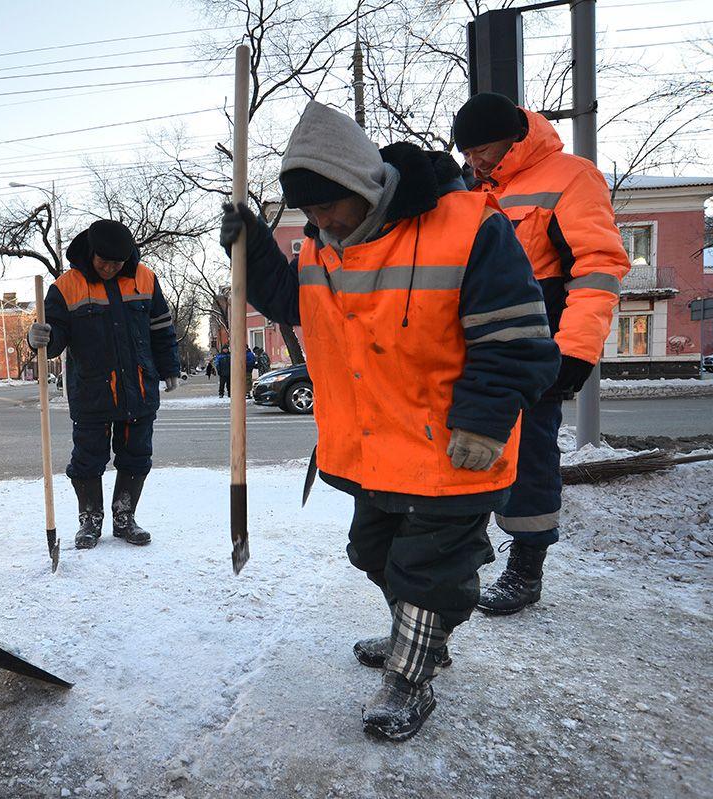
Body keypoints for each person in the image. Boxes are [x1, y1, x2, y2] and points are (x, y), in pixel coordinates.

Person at [220, 101, 559, 741]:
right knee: (374, 550)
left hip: (456, 445)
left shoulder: (468, 229)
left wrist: (484, 425)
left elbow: (516, 338)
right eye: (310, 214)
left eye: (329, 208)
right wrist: (252, 244)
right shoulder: (324, 247)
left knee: (430, 569)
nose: (322, 223)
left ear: (364, 186)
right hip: (377, 447)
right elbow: (293, 303)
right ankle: (420, 635)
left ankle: (411, 676)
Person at [453, 93, 631, 615]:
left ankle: (526, 568)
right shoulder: (469, 189)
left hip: (534, 348)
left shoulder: (570, 177)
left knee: (529, 453)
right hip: (468, 347)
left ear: (513, 135)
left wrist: (575, 352)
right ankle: (462, 554)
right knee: (461, 449)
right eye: (468, 153)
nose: (476, 162)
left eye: (483, 150)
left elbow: (597, 267)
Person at [27, 219, 181, 550]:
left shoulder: (145, 278)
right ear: (91, 253)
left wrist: (169, 368)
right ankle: (90, 520)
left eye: (117, 263)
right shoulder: (66, 287)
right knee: (87, 459)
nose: (110, 268)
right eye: (103, 262)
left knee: (137, 456)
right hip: (92, 390)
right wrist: (39, 337)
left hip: (138, 388)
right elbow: (55, 337)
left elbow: (161, 329)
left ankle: (124, 518)